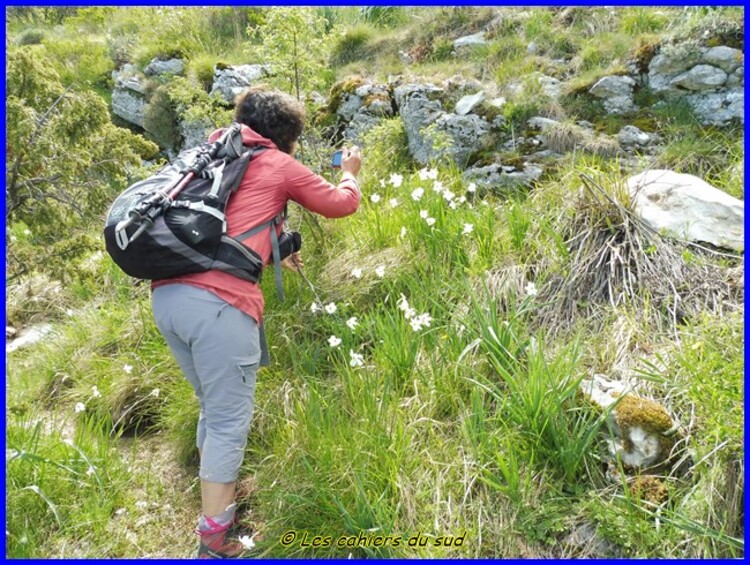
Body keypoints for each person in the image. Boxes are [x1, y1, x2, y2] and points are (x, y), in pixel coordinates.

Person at [150, 86, 362, 558]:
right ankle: (215, 540)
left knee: (212, 405)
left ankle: (218, 494)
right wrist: (350, 175)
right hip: (219, 305)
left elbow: (226, 227)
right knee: (229, 421)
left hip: (168, 297)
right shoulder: (276, 163)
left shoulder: (211, 157)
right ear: (287, 135)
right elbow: (341, 204)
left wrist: (278, 248)